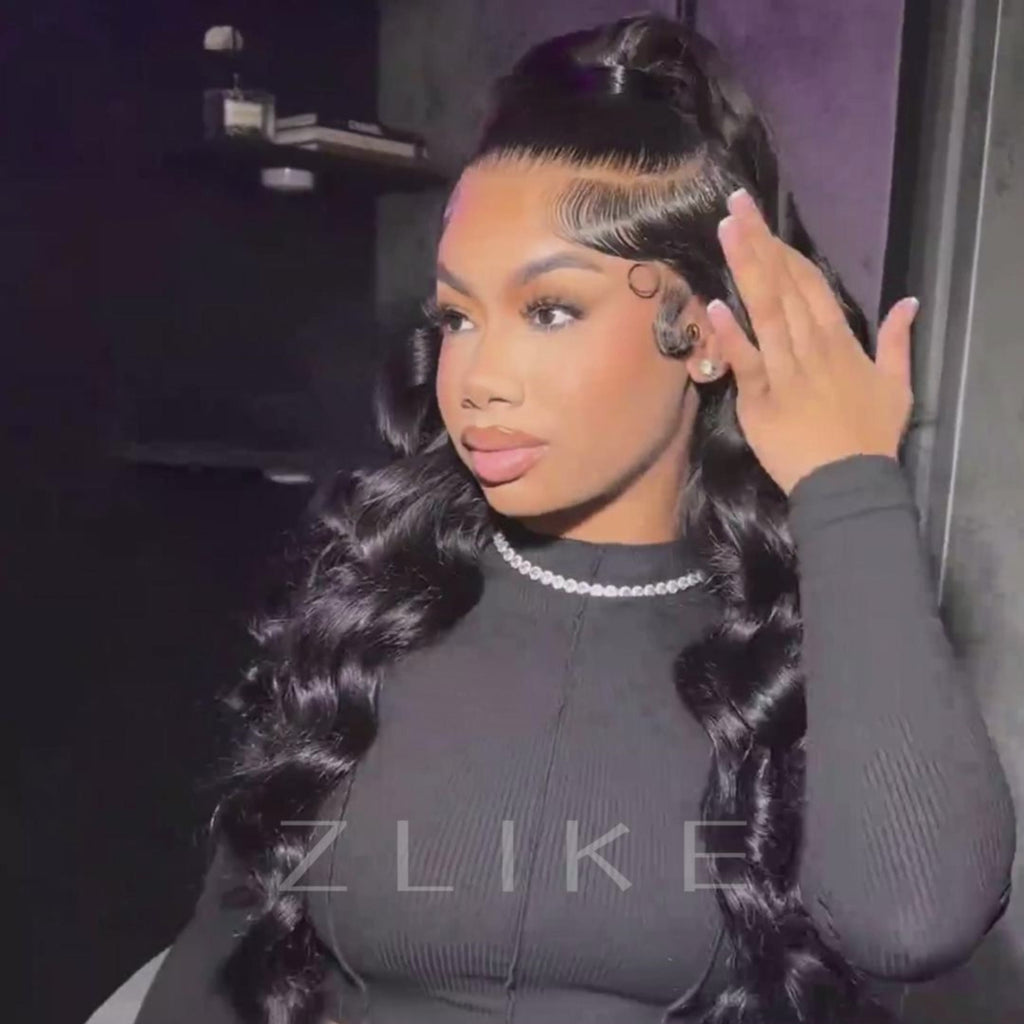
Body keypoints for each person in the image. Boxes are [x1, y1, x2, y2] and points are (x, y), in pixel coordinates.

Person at [134, 13, 1016, 1024]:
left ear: (704, 334)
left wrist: (847, 481)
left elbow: (913, 920)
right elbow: (224, 949)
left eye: (550, 310)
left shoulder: (794, 652)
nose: (478, 377)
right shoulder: (374, 603)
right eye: (457, 316)